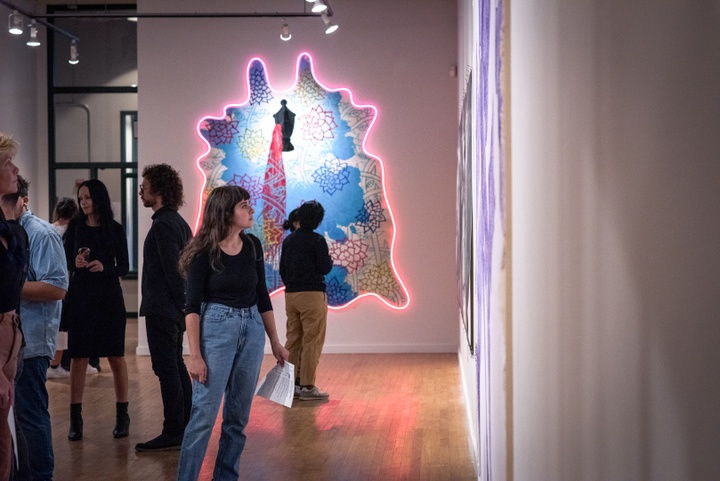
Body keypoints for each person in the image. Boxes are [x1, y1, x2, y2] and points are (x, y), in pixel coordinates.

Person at [176, 186, 288, 481]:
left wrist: (275, 341)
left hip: (251, 329)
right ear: (226, 213)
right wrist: (195, 355)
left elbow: (261, 295)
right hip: (216, 329)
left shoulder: (252, 245)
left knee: (237, 418)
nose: (251, 211)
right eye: (244, 206)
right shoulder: (204, 251)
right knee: (203, 415)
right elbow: (192, 307)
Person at [2, 176, 68, 480]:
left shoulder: (41, 234)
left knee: (31, 416)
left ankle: (42, 476)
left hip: (32, 339)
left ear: (21, 200)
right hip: (13, 341)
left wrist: (10, 285)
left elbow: (56, 288)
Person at [63, 179, 130, 441]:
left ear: (99, 198)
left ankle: (122, 415)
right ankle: (75, 419)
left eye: (88, 197)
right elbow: (65, 260)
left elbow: (123, 266)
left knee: (115, 356)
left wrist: (105, 267)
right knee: (78, 357)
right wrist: (75, 262)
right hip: (81, 297)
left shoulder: (114, 229)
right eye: (81, 198)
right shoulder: (75, 227)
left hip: (109, 297)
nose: (84, 202)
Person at [135, 164, 193, 452]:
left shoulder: (163, 225)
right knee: (175, 365)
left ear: (157, 190)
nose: (141, 191)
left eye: (144, 186)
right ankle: (184, 426)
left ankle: (174, 431)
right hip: (173, 309)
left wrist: (182, 305)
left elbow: (174, 270)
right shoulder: (178, 222)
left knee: (167, 368)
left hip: (164, 308)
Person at [279, 200, 333, 401]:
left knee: (293, 340)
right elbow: (324, 268)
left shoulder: (289, 241)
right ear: (318, 221)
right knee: (312, 340)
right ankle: (308, 387)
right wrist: (329, 262)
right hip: (312, 294)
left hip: (291, 295)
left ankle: (291, 386)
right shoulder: (317, 240)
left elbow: (283, 269)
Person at [0, 133, 27, 481]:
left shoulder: (11, 230)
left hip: (11, 330)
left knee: (4, 437)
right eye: (7, 163)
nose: (15, 169)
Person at [47, 197, 78, 380]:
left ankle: (55, 363)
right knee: (65, 326)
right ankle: (58, 363)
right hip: (69, 281)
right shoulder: (72, 231)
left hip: (52, 281)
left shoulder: (50, 229)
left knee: (57, 324)